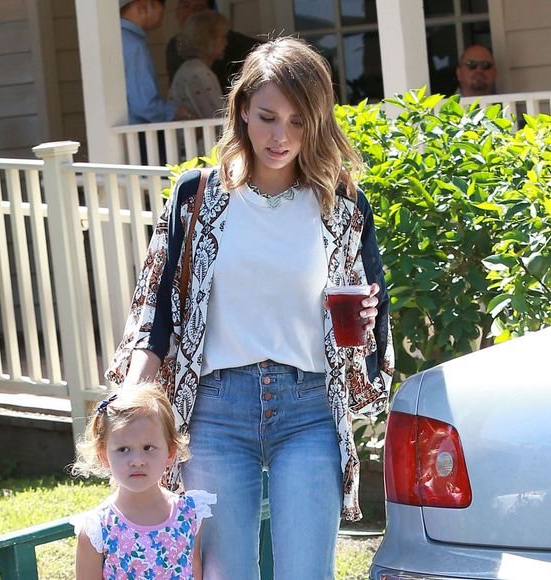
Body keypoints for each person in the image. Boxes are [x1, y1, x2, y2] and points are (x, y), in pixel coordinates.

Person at [107, 37, 394, 579]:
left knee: (306, 573)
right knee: (224, 573)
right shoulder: (198, 198)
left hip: (307, 406)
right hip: (217, 411)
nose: (280, 136)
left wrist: (369, 315)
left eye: (297, 120)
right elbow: (157, 310)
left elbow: (368, 317)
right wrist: (134, 400)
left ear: (318, 122)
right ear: (241, 110)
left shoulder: (343, 204)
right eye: (266, 117)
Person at [72, 383, 216, 579]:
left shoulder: (189, 515)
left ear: (170, 452)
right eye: (123, 449)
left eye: (148, 447)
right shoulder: (98, 529)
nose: (137, 461)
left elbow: (194, 571)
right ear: (103, 455)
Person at [120, 0, 193, 123]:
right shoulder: (133, 44)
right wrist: (177, 112)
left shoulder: (119, 37)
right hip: (138, 136)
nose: (162, 11)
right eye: (162, 3)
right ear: (143, 5)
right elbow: (143, 105)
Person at [166, 0, 260, 93]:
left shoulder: (231, 41)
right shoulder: (173, 46)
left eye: (199, 8)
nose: (191, 12)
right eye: (185, 6)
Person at [169, 10, 228, 118]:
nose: (226, 42)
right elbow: (219, 118)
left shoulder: (189, 68)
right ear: (208, 39)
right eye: (222, 36)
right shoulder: (199, 73)